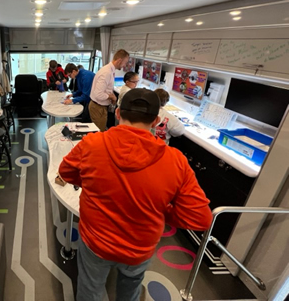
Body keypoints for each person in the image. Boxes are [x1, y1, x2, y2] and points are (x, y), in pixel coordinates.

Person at [59, 88, 213, 301]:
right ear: (156, 121)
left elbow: (66, 172)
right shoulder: (175, 160)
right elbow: (200, 218)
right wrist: (160, 210)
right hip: (140, 246)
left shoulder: (92, 143)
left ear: (118, 113)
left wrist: (89, 183)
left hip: (96, 241)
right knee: (130, 290)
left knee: (90, 291)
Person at [88, 49, 129, 131]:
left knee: (101, 130)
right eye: (125, 62)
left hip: (101, 107)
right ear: (119, 61)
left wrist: (110, 95)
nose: (124, 65)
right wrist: (111, 97)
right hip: (98, 107)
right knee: (99, 133)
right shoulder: (106, 72)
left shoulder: (110, 71)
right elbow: (98, 94)